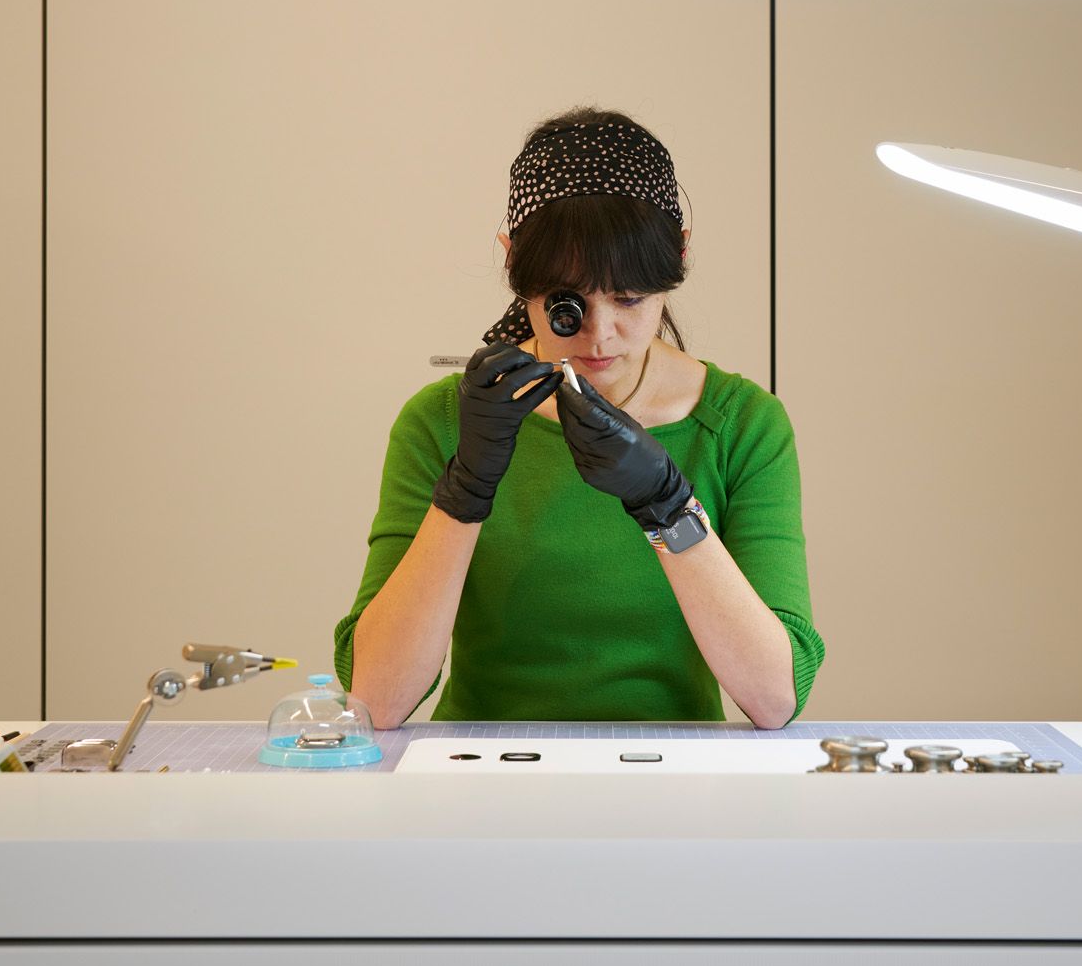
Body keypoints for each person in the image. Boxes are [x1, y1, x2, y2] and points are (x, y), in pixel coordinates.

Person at [335, 108, 823, 727]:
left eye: (629, 298)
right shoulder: (440, 423)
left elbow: (775, 696)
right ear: (515, 266)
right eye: (568, 303)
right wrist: (466, 490)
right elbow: (376, 699)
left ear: (677, 257)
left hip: (673, 780)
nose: (600, 335)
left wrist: (668, 506)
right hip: (480, 778)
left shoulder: (741, 425)